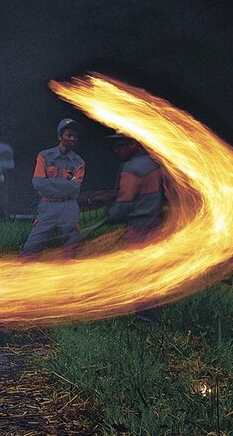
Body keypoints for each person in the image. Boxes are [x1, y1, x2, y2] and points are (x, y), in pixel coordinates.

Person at [105, 133, 164, 325]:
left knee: (139, 272)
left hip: (139, 227)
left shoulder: (132, 168)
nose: (117, 151)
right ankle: (151, 313)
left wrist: (111, 215)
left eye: (121, 146)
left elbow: (124, 203)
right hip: (155, 223)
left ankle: (145, 317)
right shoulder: (152, 163)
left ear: (132, 144)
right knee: (150, 271)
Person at [20, 118, 85, 256]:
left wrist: (50, 183)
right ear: (60, 136)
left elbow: (75, 188)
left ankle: (68, 276)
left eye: (75, 136)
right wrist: (66, 185)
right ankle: (22, 273)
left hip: (69, 208)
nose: (72, 139)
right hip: (48, 208)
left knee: (71, 250)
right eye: (69, 135)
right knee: (32, 247)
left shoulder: (79, 162)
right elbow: (38, 183)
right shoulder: (44, 156)